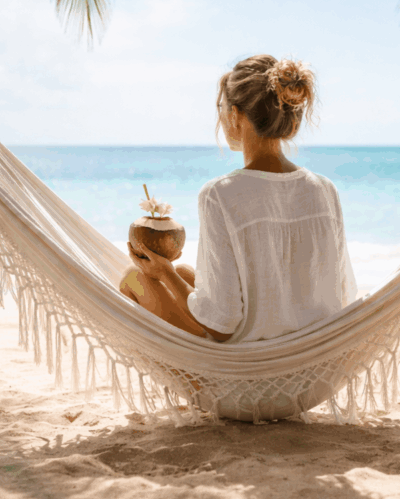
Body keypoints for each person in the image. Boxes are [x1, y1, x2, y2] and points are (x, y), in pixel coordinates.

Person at [118, 55, 357, 343]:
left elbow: (222, 327)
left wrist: (165, 273)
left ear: (235, 114)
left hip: (249, 366)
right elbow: (343, 295)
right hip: (314, 356)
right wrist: (173, 273)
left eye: (220, 108)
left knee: (134, 278)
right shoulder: (325, 189)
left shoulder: (220, 194)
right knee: (185, 273)